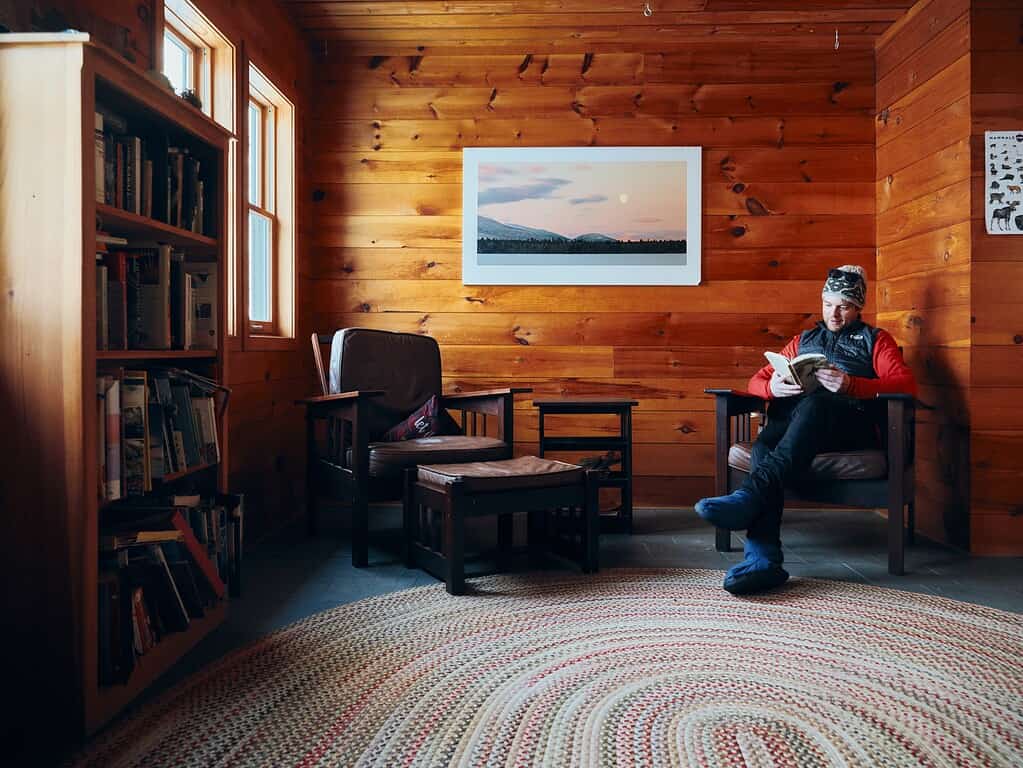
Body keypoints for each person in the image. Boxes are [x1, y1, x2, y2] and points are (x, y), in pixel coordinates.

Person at [694, 265, 917, 595]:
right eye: (828, 304)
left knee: (816, 404)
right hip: (798, 425)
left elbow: (906, 384)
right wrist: (773, 388)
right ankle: (764, 561)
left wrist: (852, 384)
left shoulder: (875, 339)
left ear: (858, 307)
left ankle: (748, 501)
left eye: (843, 305)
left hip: (848, 424)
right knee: (762, 448)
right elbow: (756, 380)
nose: (834, 313)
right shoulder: (803, 340)